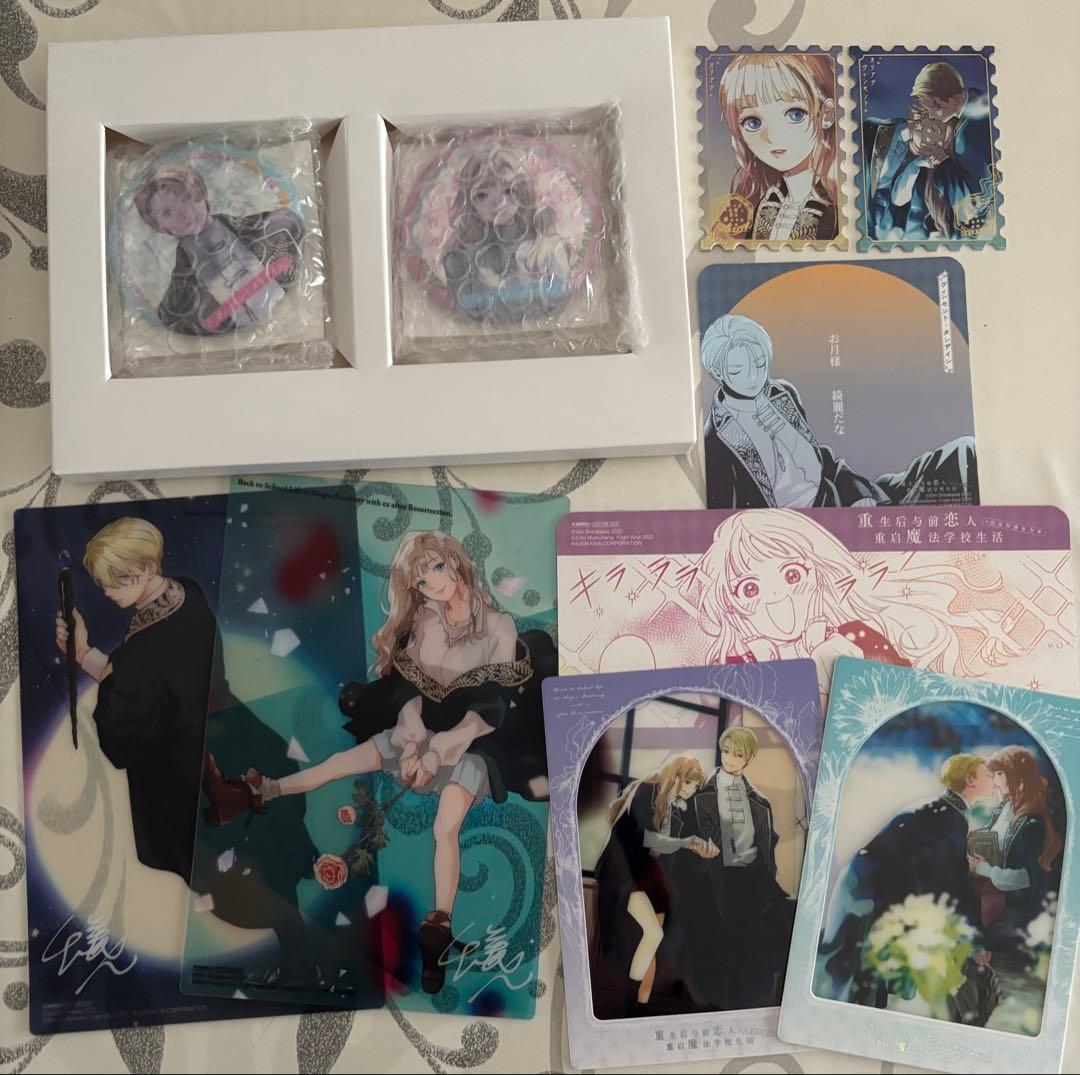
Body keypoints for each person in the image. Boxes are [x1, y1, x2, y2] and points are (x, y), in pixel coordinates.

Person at [203, 530, 555, 995]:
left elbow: (489, 711)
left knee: (445, 827)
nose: (432, 584)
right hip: (419, 733)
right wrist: (411, 740)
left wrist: (438, 750)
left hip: (471, 744)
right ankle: (259, 790)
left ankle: (438, 928)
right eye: (421, 581)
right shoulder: (424, 620)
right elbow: (407, 690)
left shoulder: (499, 627)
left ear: (455, 562)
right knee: (339, 763)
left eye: (437, 568)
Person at [55, 516, 317, 977]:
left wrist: (83, 657)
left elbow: (122, 731)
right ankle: (298, 937)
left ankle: (298, 949)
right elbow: (149, 679)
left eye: (112, 582)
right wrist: (92, 657)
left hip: (190, 770)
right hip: (235, 735)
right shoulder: (187, 594)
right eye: (101, 584)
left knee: (231, 870)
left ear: (142, 570)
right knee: (265, 848)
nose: (106, 593)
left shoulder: (141, 655)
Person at [695, 509, 1021, 701]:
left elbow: (906, 696)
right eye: (749, 589)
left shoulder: (856, 638)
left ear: (819, 572)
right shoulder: (738, 665)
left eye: (792, 574)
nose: (776, 597)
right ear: (728, 601)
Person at [819, 753, 993, 1014]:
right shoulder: (949, 816)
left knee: (861, 977)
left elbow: (932, 865)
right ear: (970, 779)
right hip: (868, 894)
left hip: (867, 889)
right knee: (853, 980)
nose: (992, 779)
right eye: (987, 774)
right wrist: (976, 942)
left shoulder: (943, 808)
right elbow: (957, 885)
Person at [702, 314, 884, 508]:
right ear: (718, 371)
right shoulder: (716, 438)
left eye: (760, 364)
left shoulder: (783, 393)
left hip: (830, 499)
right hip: (784, 524)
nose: (754, 377)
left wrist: (856, 492)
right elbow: (725, 514)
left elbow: (819, 458)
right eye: (738, 371)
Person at [672, 727, 794, 1010]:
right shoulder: (698, 795)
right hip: (710, 882)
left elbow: (766, 851)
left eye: (737, 754)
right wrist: (699, 858)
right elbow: (681, 845)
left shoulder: (760, 802)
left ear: (748, 758)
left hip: (751, 885)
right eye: (726, 751)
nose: (729, 759)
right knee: (713, 957)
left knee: (750, 958)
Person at [592, 756, 714, 1017]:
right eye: (687, 781)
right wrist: (687, 843)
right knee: (653, 934)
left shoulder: (679, 808)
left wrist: (702, 849)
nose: (690, 789)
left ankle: (639, 1007)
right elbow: (648, 839)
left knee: (652, 944)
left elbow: (674, 851)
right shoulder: (646, 791)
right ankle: (630, 1002)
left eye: (695, 785)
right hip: (625, 872)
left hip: (652, 877)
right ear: (674, 775)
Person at [133, 162, 304, 335]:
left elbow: (289, 229)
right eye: (167, 213)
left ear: (201, 192)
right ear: (159, 227)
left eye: (186, 197)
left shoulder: (275, 225)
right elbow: (172, 318)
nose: (184, 214)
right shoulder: (180, 294)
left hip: (294, 318)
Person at [715, 52, 839, 242]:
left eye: (795, 114)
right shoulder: (766, 201)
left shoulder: (840, 204)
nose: (772, 136)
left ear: (826, 114)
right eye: (753, 122)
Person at [864, 62, 995, 242]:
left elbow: (974, 204)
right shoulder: (888, 134)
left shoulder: (965, 137)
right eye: (928, 113)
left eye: (935, 109)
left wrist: (936, 165)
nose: (932, 115)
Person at [441, 146, 573, 325]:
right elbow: (462, 313)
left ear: (522, 192)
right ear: (469, 201)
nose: (498, 203)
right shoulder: (462, 256)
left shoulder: (543, 243)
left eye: (508, 191)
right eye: (482, 195)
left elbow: (561, 299)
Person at [968, 746, 1064, 938]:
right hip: (997, 901)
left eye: (1000, 774)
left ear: (1018, 777)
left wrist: (985, 869)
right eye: (994, 774)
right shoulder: (1005, 807)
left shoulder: (1033, 822)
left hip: (1021, 915)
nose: (994, 780)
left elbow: (1026, 878)